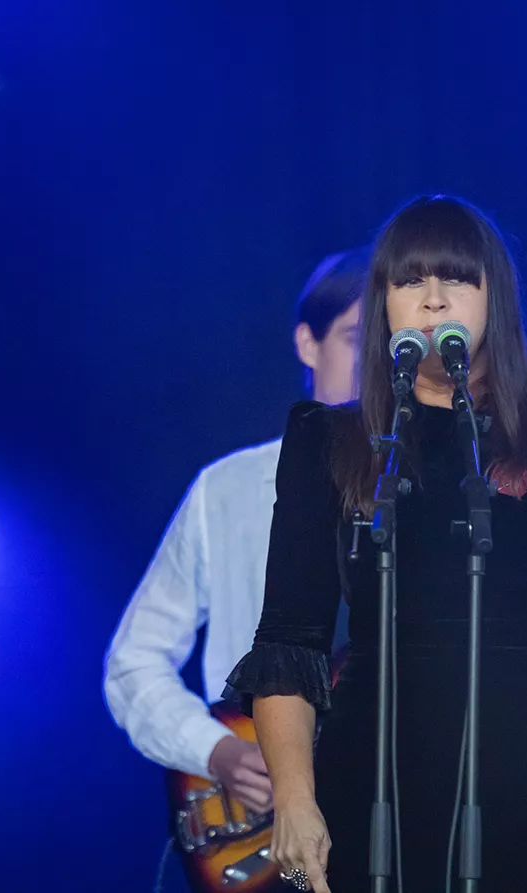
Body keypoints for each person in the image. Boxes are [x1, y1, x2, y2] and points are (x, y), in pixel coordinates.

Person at [223, 195, 527, 893]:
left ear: (495, 296)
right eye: (409, 280)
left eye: (456, 278)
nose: (433, 299)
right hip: (374, 795)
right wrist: (296, 800)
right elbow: (288, 646)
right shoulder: (329, 442)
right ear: (384, 303)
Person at [103, 246, 368, 814]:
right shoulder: (226, 491)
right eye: (355, 338)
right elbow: (135, 662)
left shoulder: (440, 492)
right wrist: (217, 750)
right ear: (308, 343)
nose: (373, 361)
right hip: (269, 834)